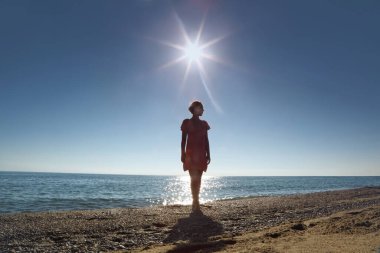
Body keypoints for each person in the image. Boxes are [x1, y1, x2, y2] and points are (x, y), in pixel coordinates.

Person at [180, 100, 211, 212]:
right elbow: (183, 140)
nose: (203, 110)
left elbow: (206, 140)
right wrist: (182, 153)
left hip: (202, 155)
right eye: (201, 108)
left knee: (199, 179)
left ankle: (196, 201)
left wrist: (209, 154)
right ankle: (195, 202)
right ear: (195, 109)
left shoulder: (204, 124)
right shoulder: (186, 122)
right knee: (193, 178)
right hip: (191, 154)